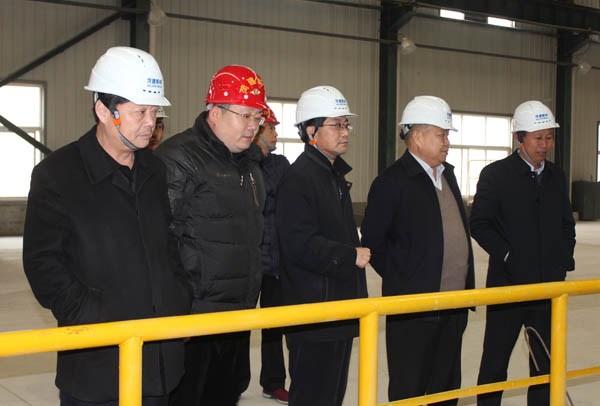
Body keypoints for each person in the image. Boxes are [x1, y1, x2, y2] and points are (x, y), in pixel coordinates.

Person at [22, 46, 191, 406]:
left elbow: (169, 243)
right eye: (140, 112)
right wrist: (96, 318)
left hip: (160, 360)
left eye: (155, 111)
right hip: (97, 364)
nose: (151, 122)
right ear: (103, 110)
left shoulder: (154, 169)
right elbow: (43, 265)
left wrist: (178, 299)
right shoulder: (58, 175)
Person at [155, 64, 267, 406]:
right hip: (194, 320)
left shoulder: (250, 165)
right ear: (215, 113)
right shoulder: (179, 158)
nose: (252, 126)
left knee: (225, 395)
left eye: (257, 117)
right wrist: (179, 311)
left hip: (237, 314)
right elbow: (162, 242)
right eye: (244, 115)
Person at [361, 95, 474, 405]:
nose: (447, 142)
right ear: (418, 136)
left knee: (446, 386)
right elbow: (373, 242)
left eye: (447, 135)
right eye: (441, 134)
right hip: (413, 310)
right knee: (408, 386)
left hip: (454, 304)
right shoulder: (392, 182)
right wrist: (406, 279)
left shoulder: (447, 174)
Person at [470, 100, 576, 405]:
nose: (545, 145)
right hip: (508, 287)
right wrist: (508, 256)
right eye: (538, 138)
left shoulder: (556, 176)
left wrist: (562, 260)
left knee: (544, 364)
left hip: (547, 287)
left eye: (549, 137)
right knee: (495, 361)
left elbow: (566, 224)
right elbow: (479, 224)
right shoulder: (496, 175)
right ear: (520, 138)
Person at [276, 85, 370, 406]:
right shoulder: (300, 178)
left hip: (337, 307)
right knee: (313, 395)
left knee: (331, 395)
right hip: (315, 312)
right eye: (336, 124)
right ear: (311, 131)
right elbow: (298, 244)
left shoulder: (332, 175)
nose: (345, 132)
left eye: (346, 124)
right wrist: (349, 255)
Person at [254, 107, 291, 404]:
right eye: (271, 128)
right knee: (234, 328)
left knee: (274, 324)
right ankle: (234, 380)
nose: (276, 134)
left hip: (274, 262)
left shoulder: (280, 164)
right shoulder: (242, 162)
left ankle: (273, 381)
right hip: (247, 262)